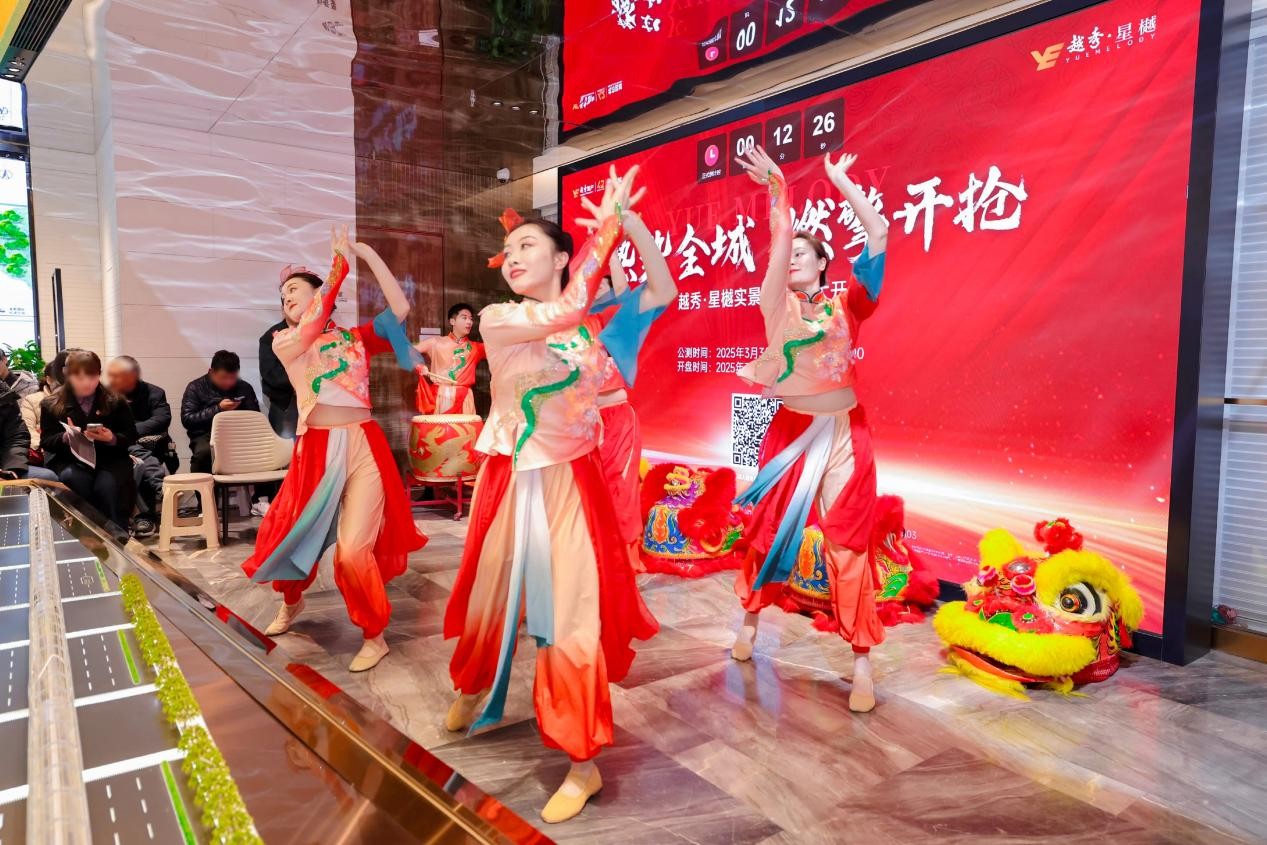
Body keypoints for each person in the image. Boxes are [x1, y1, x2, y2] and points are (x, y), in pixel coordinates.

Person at [443, 168, 658, 824]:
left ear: (563, 258)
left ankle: (581, 760)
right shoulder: (500, 317)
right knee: (489, 594)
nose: (511, 257)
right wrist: (607, 227)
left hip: (571, 481)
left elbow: (660, 292)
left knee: (570, 616)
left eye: (527, 246)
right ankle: (473, 681)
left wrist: (628, 224)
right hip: (510, 478)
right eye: (508, 251)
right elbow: (560, 311)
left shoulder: (593, 329)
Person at [729, 147, 889, 714]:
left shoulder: (849, 304)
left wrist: (842, 182)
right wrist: (779, 190)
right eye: (788, 252)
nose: (792, 257)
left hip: (846, 433)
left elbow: (878, 234)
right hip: (789, 432)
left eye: (803, 252)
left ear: (823, 262)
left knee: (848, 542)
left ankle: (862, 661)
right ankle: (749, 621)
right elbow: (779, 242)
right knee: (769, 532)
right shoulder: (778, 307)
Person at [241, 226, 427, 673]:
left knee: (352, 551)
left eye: (294, 289)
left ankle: (374, 635)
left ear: (319, 294)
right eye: (283, 295)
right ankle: (292, 601)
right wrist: (339, 264)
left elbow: (400, 308)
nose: (286, 298)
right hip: (317, 449)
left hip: (364, 443)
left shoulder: (356, 337)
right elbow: (310, 326)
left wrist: (364, 254)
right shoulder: (284, 341)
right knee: (292, 534)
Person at [590, 212, 676, 564]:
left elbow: (634, 290)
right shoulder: (570, 322)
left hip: (617, 420)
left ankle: (621, 559)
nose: (599, 288)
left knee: (619, 489)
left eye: (604, 283)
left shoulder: (617, 316)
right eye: (593, 283)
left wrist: (615, 243)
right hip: (580, 423)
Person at [39, 350, 139, 534]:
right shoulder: (51, 404)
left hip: (110, 460)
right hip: (70, 460)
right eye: (79, 378)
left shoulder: (115, 401)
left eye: (92, 377)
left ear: (99, 375)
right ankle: (85, 534)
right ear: (67, 375)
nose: (86, 383)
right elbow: (46, 440)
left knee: (107, 486)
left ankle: (116, 535)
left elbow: (131, 436)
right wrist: (66, 437)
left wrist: (111, 438)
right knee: (75, 479)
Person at [107, 356, 175, 538]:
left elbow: (162, 419)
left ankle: (146, 517)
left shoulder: (154, 392)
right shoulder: (106, 395)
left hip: (150, 442)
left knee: (141, 459)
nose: (114, 380)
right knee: (137, 458)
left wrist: (130, 431)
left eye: (119, 376)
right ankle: (161, 487)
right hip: (118, 444)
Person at [181, 350, 261, 474]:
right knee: (204, 453)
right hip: (206, 434)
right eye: (223, 377)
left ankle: (260, 487)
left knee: (263, 450)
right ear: (211, 372)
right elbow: (187, 419)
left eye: (233, 377)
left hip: (238, 434)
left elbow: (256, 418)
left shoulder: (244, 387)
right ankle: (202, 486)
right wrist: (218, 408)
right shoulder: (195, 387)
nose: (228, 382)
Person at [414, 303, 486, 416]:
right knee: (440, 427)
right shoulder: (435, 342)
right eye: (464, 318)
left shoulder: (476, 348)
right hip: (441, 394)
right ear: (452, 321)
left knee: (465, 427)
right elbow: (408, 352)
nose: (469, 322)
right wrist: (419, 366)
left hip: (464, 396)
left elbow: (501, 350)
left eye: (471, 319)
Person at [260, 271, 305, 438]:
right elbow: (270, 374)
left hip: (316, 402)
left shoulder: (314, 332)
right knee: (288, 448)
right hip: (287, 403)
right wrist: (301, 379)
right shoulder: (270, 337)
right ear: (283, 308)